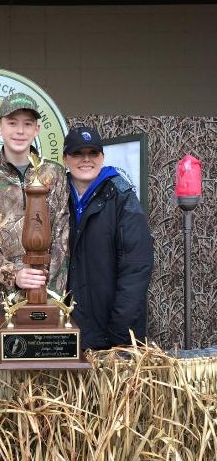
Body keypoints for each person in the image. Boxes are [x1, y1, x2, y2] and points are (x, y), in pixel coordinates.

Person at [0, 92, 70, 340]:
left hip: (49, 298)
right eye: (12, 123)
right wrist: (15, 275)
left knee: (47, 371)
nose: (19, 131)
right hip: (1, 302)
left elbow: (62, 236)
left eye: (27, 124)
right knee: (5, 372)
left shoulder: (53, 174)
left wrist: (47, 289)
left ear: (36, 130)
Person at [63, 125, 154, 350]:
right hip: (66, 329)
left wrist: (120, 329)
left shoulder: (123, 198)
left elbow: (136, 268)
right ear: (65, 158)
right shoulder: (56, 197)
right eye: (77, 153)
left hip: (112, 332)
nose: (86, 160)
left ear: (102, 157)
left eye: (93, 153)